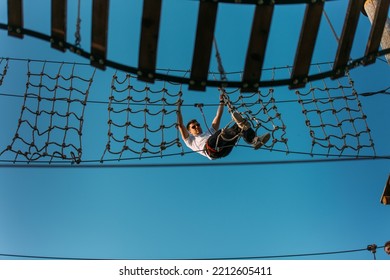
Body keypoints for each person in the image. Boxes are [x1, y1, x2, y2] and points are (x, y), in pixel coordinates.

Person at [176, 94, 271, 160]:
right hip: (210, 150)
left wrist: (221, 101)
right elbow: (180, 125)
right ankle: (235, 131)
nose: (197, 127)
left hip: (224, 150)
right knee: (222, 132)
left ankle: (254, 140)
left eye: (198, 125)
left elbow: (218, 116)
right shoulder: (190, 140)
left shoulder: (209, 132)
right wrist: (178, 108)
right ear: (189, 131)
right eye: (194, 127)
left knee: (240, 126)